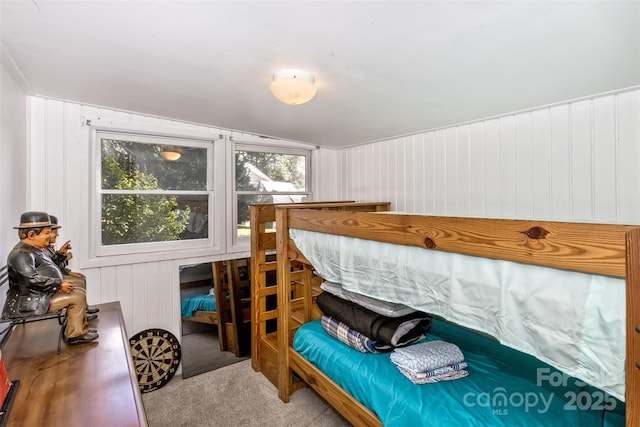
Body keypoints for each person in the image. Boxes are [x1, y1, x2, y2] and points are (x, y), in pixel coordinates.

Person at [2, 211, 98, 345]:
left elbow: (50, 265)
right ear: (31, 235)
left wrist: (61, 258)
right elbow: (31, 279)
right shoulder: (21, 254)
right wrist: (59, 284)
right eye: (47, 232)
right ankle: (76, 335)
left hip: (39, 293)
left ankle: (78, 324)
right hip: (30, 300)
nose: (51, 235)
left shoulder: (32, 249)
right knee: (77, 296)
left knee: (78, 291)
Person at [47, 215, 99, 315]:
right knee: (78, 283)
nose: (57, 235)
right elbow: (51, 267)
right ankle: (80, 313)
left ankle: (83, 310)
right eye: (54, 232)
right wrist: (64, 257)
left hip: (54, 278)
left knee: (81, 279)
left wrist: (68, 270)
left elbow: (52, 265)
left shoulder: (47, 248)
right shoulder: (41, 249)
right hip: (51, 282)